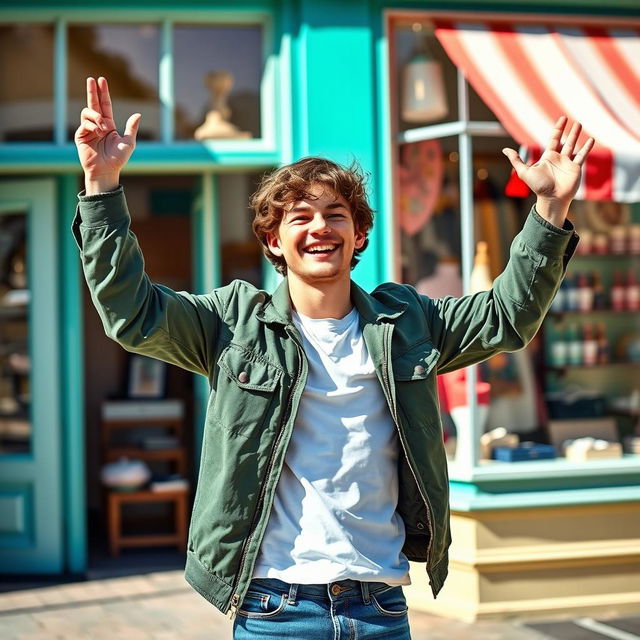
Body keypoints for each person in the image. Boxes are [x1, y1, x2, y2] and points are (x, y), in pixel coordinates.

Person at [74, 76, 593, 639]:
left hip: (380, 608)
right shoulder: (232, 323)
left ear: (359, 232)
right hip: (275, 607)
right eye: (299, 216)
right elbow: (133, 314)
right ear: (273, 241)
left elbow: (506, 316)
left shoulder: (406, 324)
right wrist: (102, 185)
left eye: (335, 214)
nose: (320, 226)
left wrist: (550, 206)